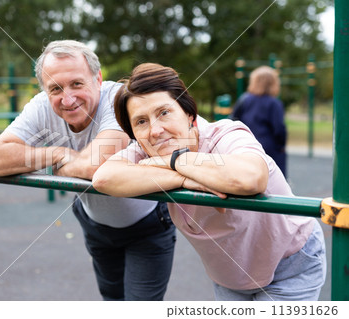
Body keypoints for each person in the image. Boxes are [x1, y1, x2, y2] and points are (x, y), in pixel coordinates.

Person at [92, 63, 326, 301]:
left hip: (289, 263)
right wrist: (184, 177)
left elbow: (251, 178)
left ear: (189, 115)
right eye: (141, 122)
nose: (155, 130)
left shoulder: (224, 135)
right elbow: (103, 178)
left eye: (164, 112)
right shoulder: (146, 150)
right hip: (231, 277)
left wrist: (174, 160)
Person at [0, 41, 176, 301]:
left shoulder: (120, 99)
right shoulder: (41, 106)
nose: (68, 98)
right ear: (44, 90)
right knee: (112, 300)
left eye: (77, 83)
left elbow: (96, 164)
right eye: (55, 88)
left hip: (147, 225)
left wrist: (63, 169)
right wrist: (57, 153)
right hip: (96, 224)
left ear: (97, 78)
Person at [231, 66, 287, 177]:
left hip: (247, 145)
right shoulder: (274, 103)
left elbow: (233, 120)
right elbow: (279, 128)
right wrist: (281, 145)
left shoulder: (244, 99)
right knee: (273, 180)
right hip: (269, 148)